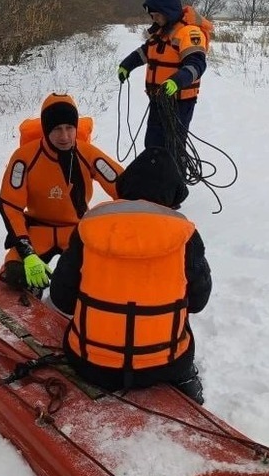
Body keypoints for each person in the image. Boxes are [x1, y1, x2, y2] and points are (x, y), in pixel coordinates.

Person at [49, 146, 211, 404]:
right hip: (167, 364)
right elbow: (199, 301)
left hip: (91, 364)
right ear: (173, 196)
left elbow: (61, 298)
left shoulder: (88, 227)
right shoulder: (185, 236)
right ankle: (184, 378)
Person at [0, 93, 123, 293]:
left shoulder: (88, 153)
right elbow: (10, 205)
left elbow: (123, 187)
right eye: (57, 129)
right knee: (16, 275)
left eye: (69, 128)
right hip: (37, 230)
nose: (64, 136)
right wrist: (27, 252)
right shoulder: (24, 157)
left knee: (90, 279)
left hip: (75, 230)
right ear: (46, 130)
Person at [117, 0, 211, 155]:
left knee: (173, 147)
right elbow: (146, 51)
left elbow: (197, 64)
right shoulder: (162, 32)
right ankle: (154, 177)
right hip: (159, 99)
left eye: (157, 15)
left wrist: (177, 81)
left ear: (169, 11)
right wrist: (127, 65)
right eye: (152, 16)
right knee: (153, 143)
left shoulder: (189, 33)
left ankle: (176, 177)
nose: (155, 19)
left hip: (179, 102)